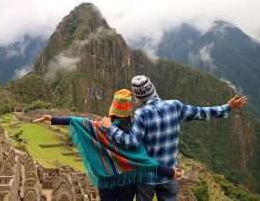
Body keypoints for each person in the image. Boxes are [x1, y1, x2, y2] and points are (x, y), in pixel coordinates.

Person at [100, 75, 247, 201]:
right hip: (170, 173)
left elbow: (132, 142)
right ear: (154, 89)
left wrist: (110, 128)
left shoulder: (141, 114)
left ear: (137, 97)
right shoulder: (175, 106)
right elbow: (201, 113)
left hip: (147, 178)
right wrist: (227, 107)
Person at [34, 89, 177, 201]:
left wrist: (52, 119)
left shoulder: (100, 128)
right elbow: (145, 161)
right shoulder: (135, 133)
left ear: (112, 110)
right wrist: (170, 172)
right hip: (127, 182)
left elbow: (78, 121)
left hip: (105, 182)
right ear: (129, 112)